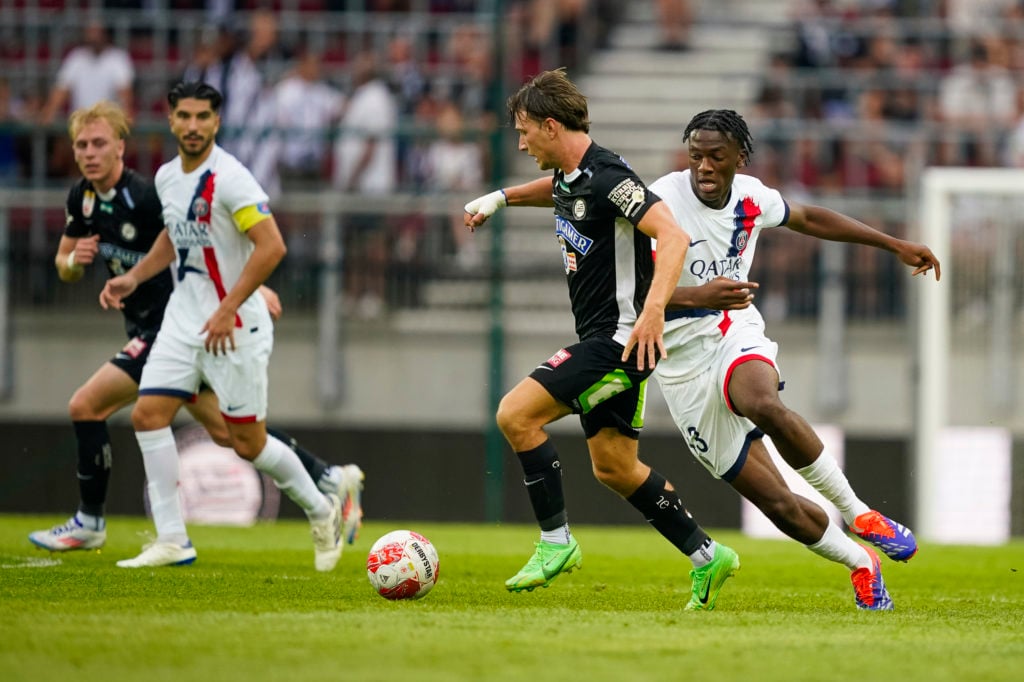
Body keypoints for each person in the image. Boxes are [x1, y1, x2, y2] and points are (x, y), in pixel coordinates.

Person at [27, 100, 364, 557]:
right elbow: (64, 265)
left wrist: (249, 290)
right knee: (235, 435)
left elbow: (202, 241)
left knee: (88, 405)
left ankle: (95, 522)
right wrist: (73, 262)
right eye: (81, 145)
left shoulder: (146, 196)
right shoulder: (82, 199)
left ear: (120, 147)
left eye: (99, 143)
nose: (89, 153)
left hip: (174, 327)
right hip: (164, 327)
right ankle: (328, 479)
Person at [464, 69, 740, 611]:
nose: (520, 144)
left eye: (524, 132)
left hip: (617, 341)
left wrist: (654, 310)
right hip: (609, 340)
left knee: (515, 415)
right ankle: (708, 556)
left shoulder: (609, 174)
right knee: (614, 466)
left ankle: (555, 541)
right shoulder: (573, 178)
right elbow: (561, 193)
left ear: (550, 126)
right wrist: (499, 198)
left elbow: (673, 234)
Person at [646, 109, 941, 610]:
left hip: (730, 331)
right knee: (779, 505)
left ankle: (861, 513)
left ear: (741, 157)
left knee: (760, 401)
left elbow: (808, 217)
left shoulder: (751, 197)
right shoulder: (659, 203)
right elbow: (633, 300)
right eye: (696, 156)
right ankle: (861, 563)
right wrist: (698, 296)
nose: (705, 168)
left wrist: (893, 244)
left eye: (717, 157)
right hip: (679, 366)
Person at [96, 82, 343, 571]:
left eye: (202, 117)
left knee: (246, 442)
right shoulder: (168, 177)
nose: (192, 126)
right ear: (171, 120)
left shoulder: (231, 179)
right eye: (183, 116)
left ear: (216, 122)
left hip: (235, 326)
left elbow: (272, 246)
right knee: (148, 416)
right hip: (184, 321)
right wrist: (134, 276)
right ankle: (172, 539)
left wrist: (229, 307)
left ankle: (322, 508)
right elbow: (175, 234)